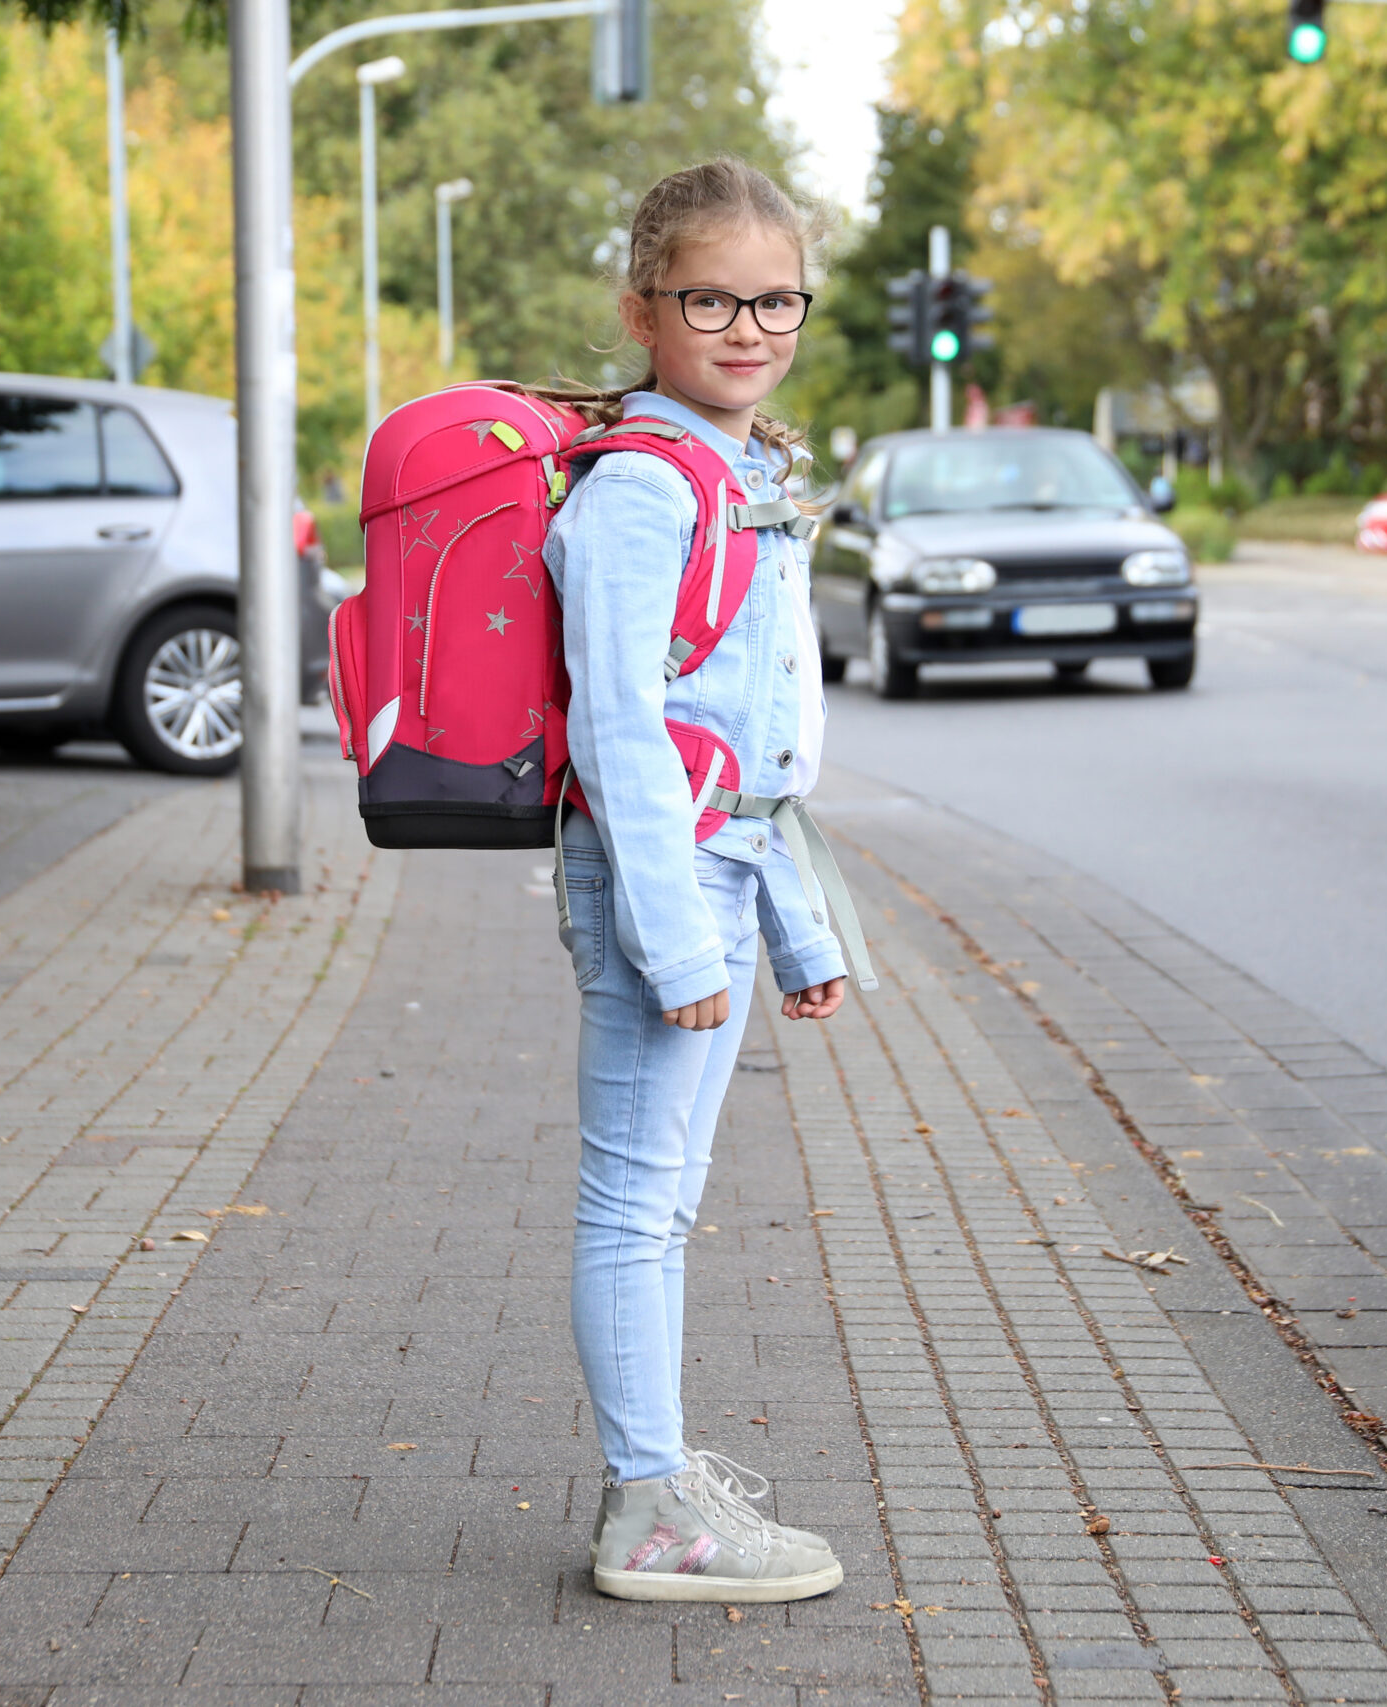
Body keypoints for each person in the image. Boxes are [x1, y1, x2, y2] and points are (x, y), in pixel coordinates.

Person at [541, 159, 852, 1604]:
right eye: (711, 297)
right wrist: (681, 948)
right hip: (664, 887)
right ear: (643, 308)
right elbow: (621, 735)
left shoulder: (741, 477)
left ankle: (657, 1481)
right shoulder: (638, 494)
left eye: (775, 296)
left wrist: (796, 931)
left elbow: (750, 747)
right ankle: (650, 1511)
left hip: (724, 875)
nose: (748, 324)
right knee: (635, 1204)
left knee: (660, 1204)